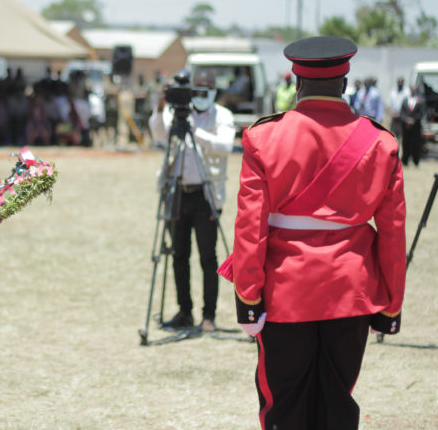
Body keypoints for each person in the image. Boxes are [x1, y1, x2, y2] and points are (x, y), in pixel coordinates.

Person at [226, 36, 406, 430]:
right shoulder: (381, 142)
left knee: (284, 406)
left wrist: (248, 295)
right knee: (338, 401)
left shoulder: (263, 137)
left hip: (285, 291)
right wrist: (391, 304)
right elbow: (392, 233)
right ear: (344, 83)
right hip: (352, 292)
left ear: (296, 80)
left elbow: (250, 224)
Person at [149, 71, 235, 332]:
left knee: (208, 257)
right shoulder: (175, 113)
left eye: (205, 89)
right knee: (179, 255)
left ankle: (209, 315)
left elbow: (225, 145)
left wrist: (194, 131)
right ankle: (184, 311)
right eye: (195, 90)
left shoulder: (222, 115)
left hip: (206, 195)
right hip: (177, 192)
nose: (199, 95)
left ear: (213, 91)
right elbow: (158, 134)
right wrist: (161, 106)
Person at [400, 83, 425, 166]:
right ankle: (405, 160)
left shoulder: (420, 101)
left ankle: (416, 160)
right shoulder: (405, 100)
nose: (413, 90)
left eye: (415, 89)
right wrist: (406, 120)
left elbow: (421, 113)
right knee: (406, 142)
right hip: (406, 126)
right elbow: (402, 112)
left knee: (416, 143)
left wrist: (413, 120)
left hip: (416, 126)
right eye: (412, 89)